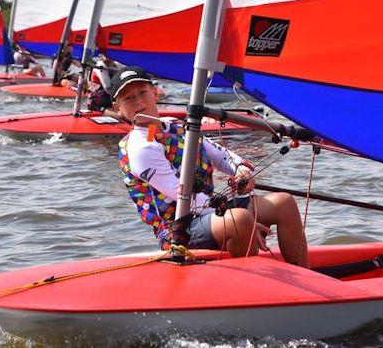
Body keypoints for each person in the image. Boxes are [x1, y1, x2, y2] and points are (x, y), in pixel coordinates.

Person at [111, 66, 310, 267]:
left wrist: (240, 169)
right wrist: (245, 221)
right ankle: (246, 288)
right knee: (240, 219)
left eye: (142, 92)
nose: (138, 101)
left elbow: (219, 154)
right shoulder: (140, 148)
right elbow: (183, 196)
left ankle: (306, 277)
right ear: (118, 107)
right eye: (128, 98)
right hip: (178, 229)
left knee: (284, 203)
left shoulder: (175, 124)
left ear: (154, 92)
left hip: (212, 210)